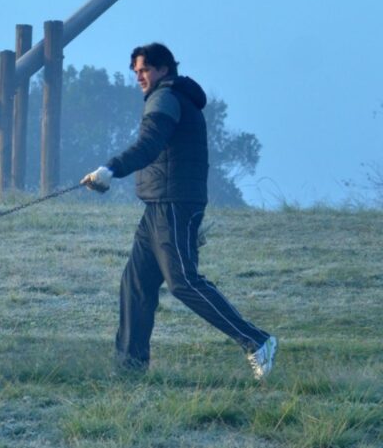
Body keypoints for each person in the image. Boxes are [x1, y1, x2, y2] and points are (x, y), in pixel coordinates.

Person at [80, 43, 277, 379]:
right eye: (136, 72)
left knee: (183, 281)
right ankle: (129, 369)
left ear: (163, 69)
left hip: (173, 204)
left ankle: (256, 341)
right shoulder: (171, 97)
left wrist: (110, 169)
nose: (139, 77)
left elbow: (148, 145)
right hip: (159, 205)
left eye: (144, 70)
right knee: (136, 284)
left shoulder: (165, 98)